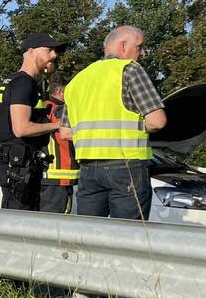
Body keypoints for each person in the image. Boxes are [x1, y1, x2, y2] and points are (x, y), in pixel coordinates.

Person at [64, 25, 167, 220]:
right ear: (123, 46)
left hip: (88, 169)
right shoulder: (129, 69)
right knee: (128, 238)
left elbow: (66, 132)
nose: (142, 53)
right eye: (139, 46)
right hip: (127, 166)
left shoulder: (78, 80)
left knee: (88, 235)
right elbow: (157, 121)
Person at [0, 32, 69, 210]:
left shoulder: (13, 81)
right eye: (49, 50)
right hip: (21, 165)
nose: (54, 55)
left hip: (17, 162)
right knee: (21, 223)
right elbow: (21, 128)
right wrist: (58, 124)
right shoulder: (24, 83)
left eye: (55, 51)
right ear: (30, 51)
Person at [39, 72, 79, 214]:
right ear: (62, 92)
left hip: (45, 176)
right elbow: (69, 134)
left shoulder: (43, 107)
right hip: (61, 177)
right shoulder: (62, 111)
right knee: (57, 224)